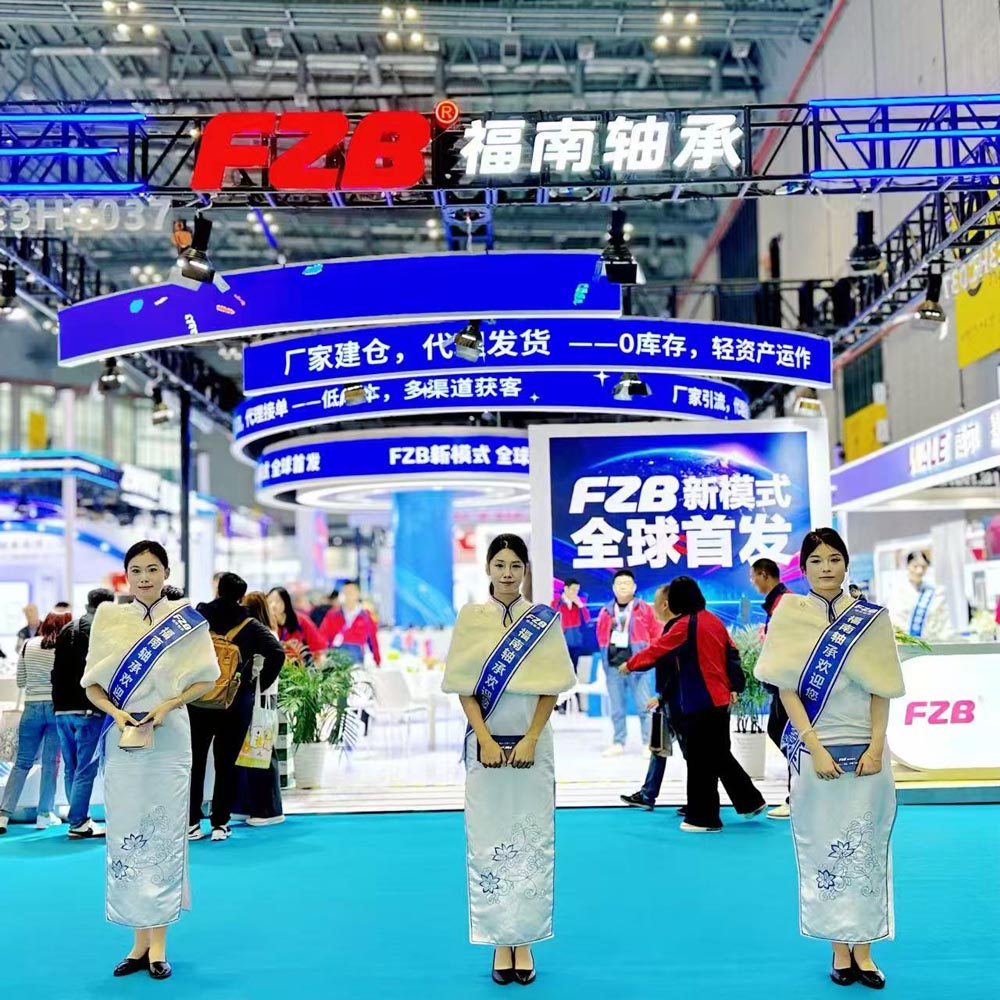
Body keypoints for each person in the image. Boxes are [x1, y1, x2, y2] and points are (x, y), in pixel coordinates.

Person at [755, 527, 905, 989]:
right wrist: (814, 747)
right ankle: (839, 948)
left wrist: (877, 745)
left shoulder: (871, 619)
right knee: (825, 848)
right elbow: (787, 689)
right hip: (814, 751)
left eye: (834, 559)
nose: (826, 568)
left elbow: (881, 689)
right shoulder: (790, 615)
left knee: (867, 849)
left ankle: (866, 949)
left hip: (867, 752)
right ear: (804, 568)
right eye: (816, 560)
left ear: (846, 563)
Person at [81, 540, 220, 981]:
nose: (144, 578)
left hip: (169, 737)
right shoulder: (109, 619)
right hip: (123, 738)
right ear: (126, 575)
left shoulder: (186, 620)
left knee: (163, 834)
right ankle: (137, 943)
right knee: (126, 835)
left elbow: (207, 680)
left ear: (166, 573)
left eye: (152, 569)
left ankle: (158, 946)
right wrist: (116, 712)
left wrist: (169, 704)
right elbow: (92, 685)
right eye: (136, 570)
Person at [443, 533, 575, 986]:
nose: (507, 573)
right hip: (485, 746)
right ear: (487, 568)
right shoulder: (471, 618)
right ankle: (501, 939)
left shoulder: (543, 620)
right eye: (499, 564)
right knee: (490, 837)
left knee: (532, 838)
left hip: (532, 744)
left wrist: (532, 737)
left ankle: (526, 939)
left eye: (515, 565)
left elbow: (551, 686)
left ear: (525, 570)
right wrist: (482, 737)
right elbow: (463, 686)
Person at [623, 576, 767, 832]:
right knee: (719, 754)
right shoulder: (713, 621)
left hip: (700, 700)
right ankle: (750, 801)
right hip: (719, 700)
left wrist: (630, 665)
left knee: (700, 761)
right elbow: (732, 653)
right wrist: (734, 686)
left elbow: (657, 652)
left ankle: (703, 818)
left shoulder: (684, 625)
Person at [189, 573, 285, 842]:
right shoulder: (250, 624)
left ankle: (192, 823)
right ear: (241, 596)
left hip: (199, 699)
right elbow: (277, 653)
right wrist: (255, 683)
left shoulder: (199, 617)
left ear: (218, 590)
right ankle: (220, 824)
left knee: (195, 763)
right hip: (234, 703)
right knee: (226, 765)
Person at [0, 610, 72, 834]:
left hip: (31, 708)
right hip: (55, 708)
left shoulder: (28, 645)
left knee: (22, 763)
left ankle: (3, 816)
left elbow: (21, 681)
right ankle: (43, 815)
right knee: (51, 764)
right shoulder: (65, 647)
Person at [52, 587, 115, 839]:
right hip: (88, 707)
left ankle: (79, 818)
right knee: (85, 769)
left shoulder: (69, 628)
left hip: (61, 708)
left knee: (71, 767)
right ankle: (78, 821)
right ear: (108, 605)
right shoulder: (101, 629)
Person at [620, 583, 683, 811]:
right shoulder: (672, 628)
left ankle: (702, 801)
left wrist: (661, 696)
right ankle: (648, 795)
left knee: (693, 755)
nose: (652, 606)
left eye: (655, 602)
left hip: (680, 703)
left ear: (665, 604)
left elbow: (667, 664)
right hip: (671, 700)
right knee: (659, 747)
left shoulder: (678, 631)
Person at [234, 591, 286, 827]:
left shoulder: (260, 634)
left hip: (260, 700)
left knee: (262, 754)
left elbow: (273, 659)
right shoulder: (266, 632)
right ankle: (249, 806)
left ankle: (268, 809)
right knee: (252, 753)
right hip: (261, 699)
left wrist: (259, 684)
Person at [596, 569, 657, 755]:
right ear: (613, 588)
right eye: (619, 583)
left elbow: (656, 633)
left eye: (627, 583)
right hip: (614, 666)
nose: (623, 586)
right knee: (617, 708)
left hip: (638, 666)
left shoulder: (644, 609)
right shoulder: (606, 611)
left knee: (644, 706)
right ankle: (618, 742)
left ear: (634, 587)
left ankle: (648, 743)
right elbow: (600, 636)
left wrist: (648, 657)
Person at [750, 558, 792, 820]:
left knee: (784, 734)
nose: (752, 581)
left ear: (764, 575)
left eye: (753, 576)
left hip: (787, 682)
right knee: (780, 732)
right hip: (781, 681)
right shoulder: (778, 602)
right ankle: (799, 793)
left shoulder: (785, 602)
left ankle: (798, 795)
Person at [889, 551, 950, 642]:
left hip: (927, 642)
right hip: (903, 642)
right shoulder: (898, 590)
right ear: (908, 566)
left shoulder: (932, 592)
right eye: (915, 566)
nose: (919, 571)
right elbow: (894, 617)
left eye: (923, 567)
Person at [319, 581, 381, 666]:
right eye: (346, 592)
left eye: (351, 592)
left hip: (357, 662)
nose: (349, 595)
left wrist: (377, 660)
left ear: (358, 593)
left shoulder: (366, 617)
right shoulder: (332, 615)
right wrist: (321, 655)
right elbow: (322, 636)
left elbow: (373, 640)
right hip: (335, 662)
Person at [267, 587, 326, 663]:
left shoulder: (301, 621)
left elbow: (319, 648)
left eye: (277, 601)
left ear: (286, 602)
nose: (273, 605)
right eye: (270, 602)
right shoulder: (264, 624)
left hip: (303, 666)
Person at [550, 578, 591, 672]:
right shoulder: (556, 603)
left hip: (576, 637)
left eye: (577, 590)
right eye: (573, 589)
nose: (575, 592)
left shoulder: (578, 603)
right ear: (566, 588)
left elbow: (587, 619)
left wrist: (581, 605)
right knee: (564, 665)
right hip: (563, 638)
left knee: (574, 664)